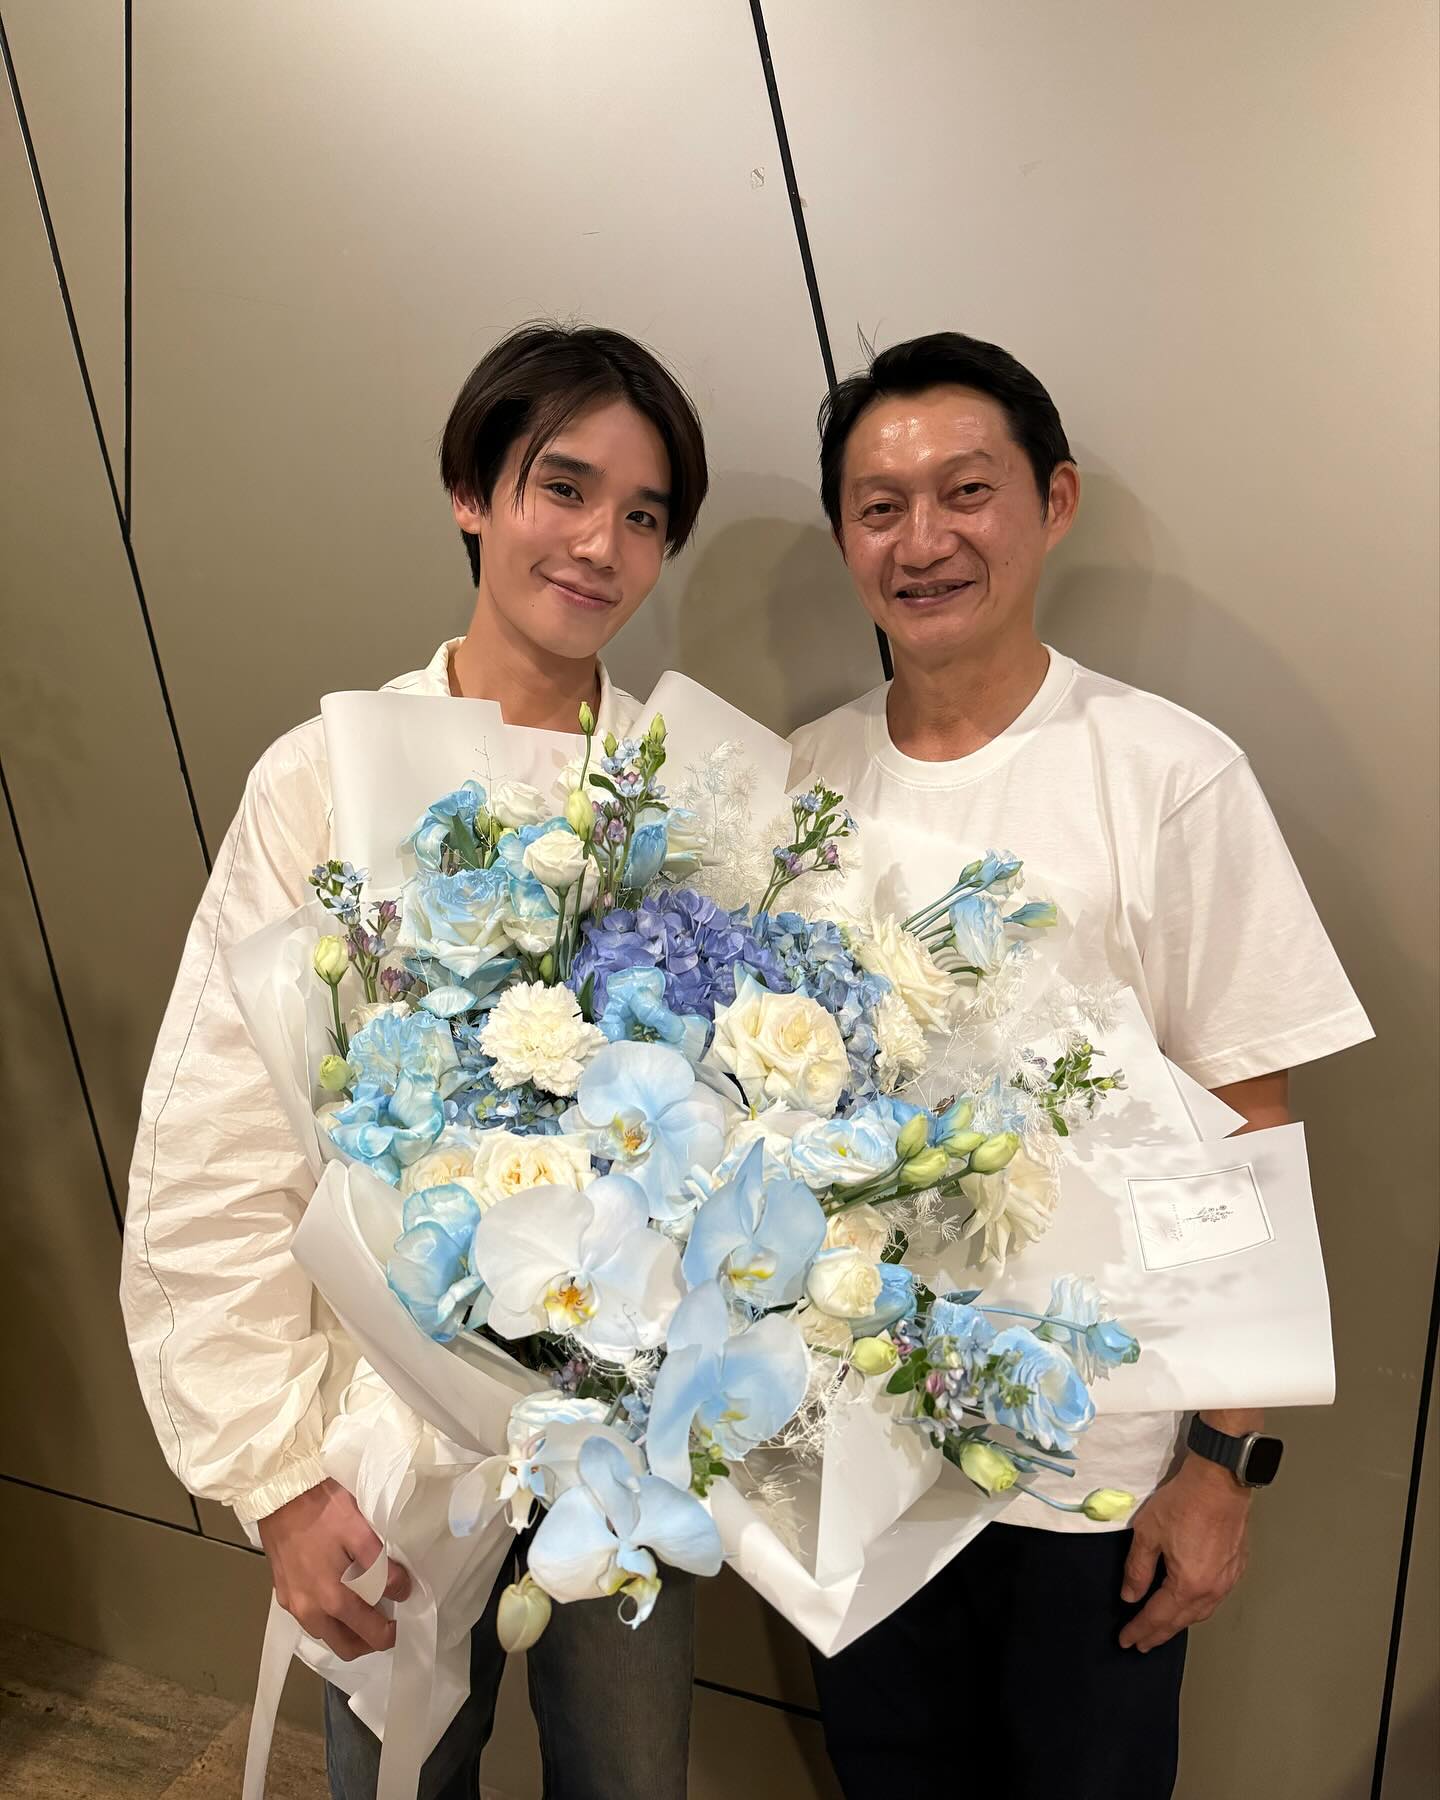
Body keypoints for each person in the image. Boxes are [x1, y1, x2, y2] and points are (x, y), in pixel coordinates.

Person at [119, 321, 709, 1800]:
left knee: (630, 1775)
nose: (600, 544)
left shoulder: (691, 798)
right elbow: (224, 1131)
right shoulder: (328, 775)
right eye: (563, 488)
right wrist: (277, 1476)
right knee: (398, 1775)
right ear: (470, 491)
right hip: (386, 1425)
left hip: (624, 1432)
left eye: (645, 516)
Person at [787, 331, 1373, 1799]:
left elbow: (1251, 1122)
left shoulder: (1165, 771)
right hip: (860, 1448)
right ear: (845, 538)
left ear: (1052, 503)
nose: (923, 539)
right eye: (879, 507)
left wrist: (1221, 1463)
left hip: (1097, 1472)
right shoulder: (800, 783)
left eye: (966, 491)